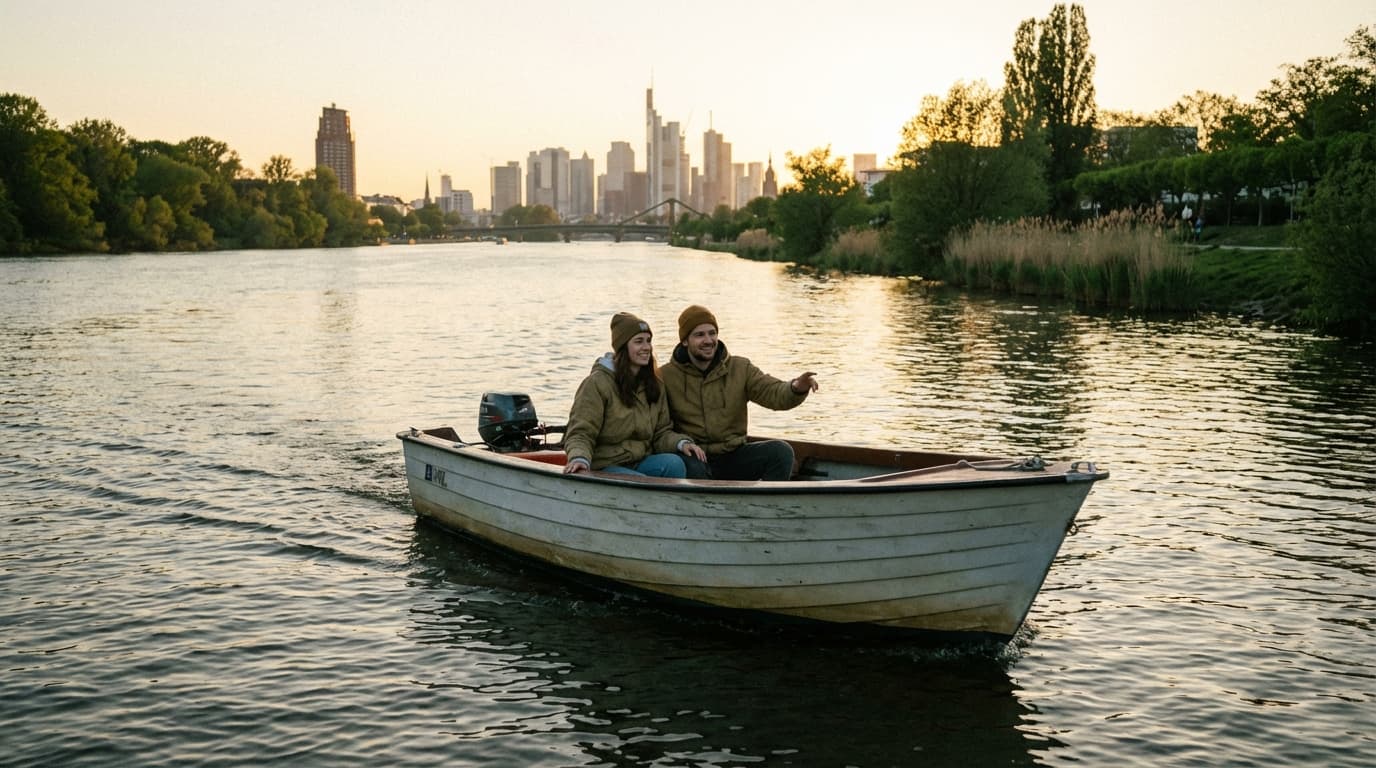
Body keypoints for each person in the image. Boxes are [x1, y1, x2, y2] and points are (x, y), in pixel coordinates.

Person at [659, 305, 818, 481]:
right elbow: (659, 429)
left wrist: (796, 387)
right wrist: (681, 443)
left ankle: (766, 505)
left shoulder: (740, 368)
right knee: (689, 466)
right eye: (699, 335)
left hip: (733, 455)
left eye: (712, 333)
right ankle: (705, 507)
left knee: (781, 451)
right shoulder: (664, 376)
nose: (708, 340)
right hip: (693, 457)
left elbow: (772, 393)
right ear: (685, 341)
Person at [563, 312, 707, 477]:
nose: (646, 347)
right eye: (639, 342)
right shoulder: (597, 384)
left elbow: (661, 433)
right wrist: (580, 458)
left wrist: (681, 443)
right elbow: (581, 432)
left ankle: (669, 503)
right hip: (604, 466)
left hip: (640, 461)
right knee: (639, 481)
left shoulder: (654, 384)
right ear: (623, 346)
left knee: (674, 464)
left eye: (648, 341)